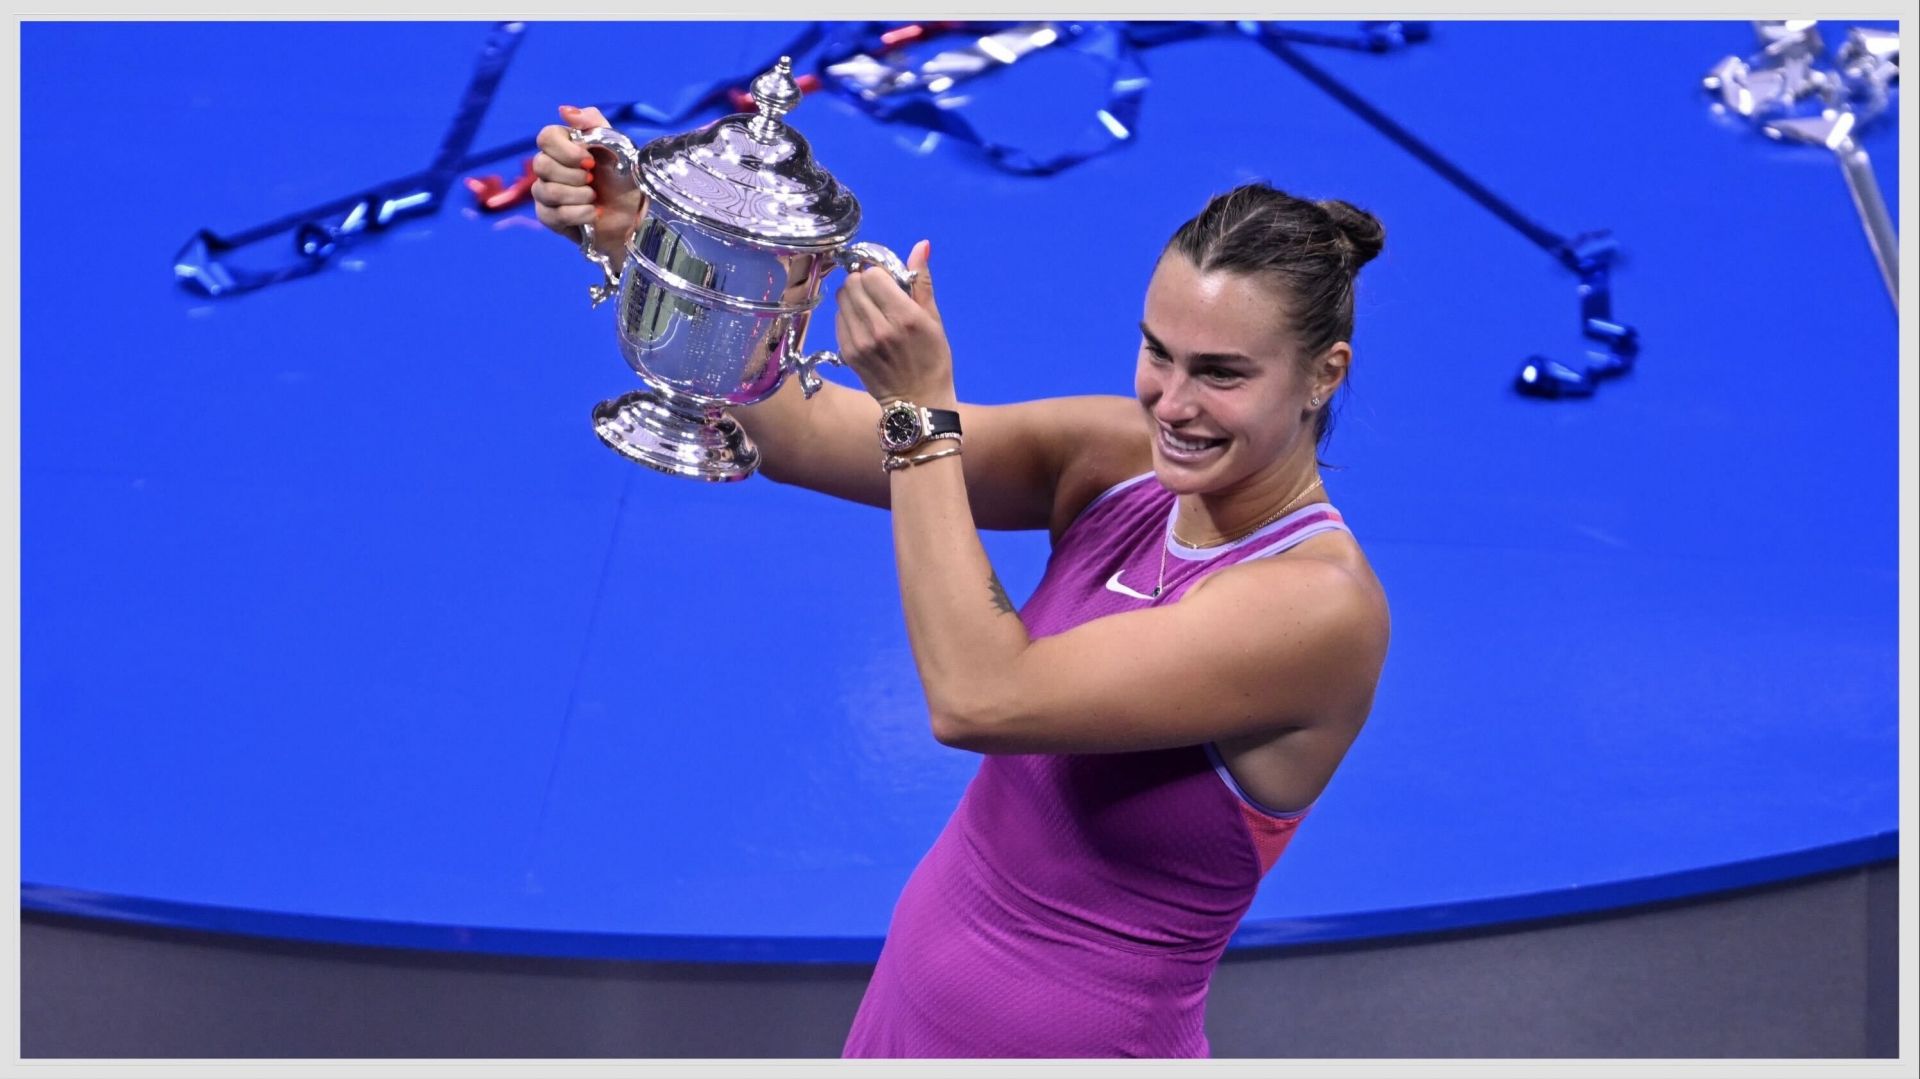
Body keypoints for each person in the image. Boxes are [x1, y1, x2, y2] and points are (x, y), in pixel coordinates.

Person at [533, 105, 1391, 1059]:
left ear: (1324, 375)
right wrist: (665, 257)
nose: (1174, 403)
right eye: (1158, 352)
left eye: (1222, 373)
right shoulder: (1118, 459)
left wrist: (918, 414)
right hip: (906, 1021)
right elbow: (801, 433)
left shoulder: (1317, 605)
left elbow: (982, 696)